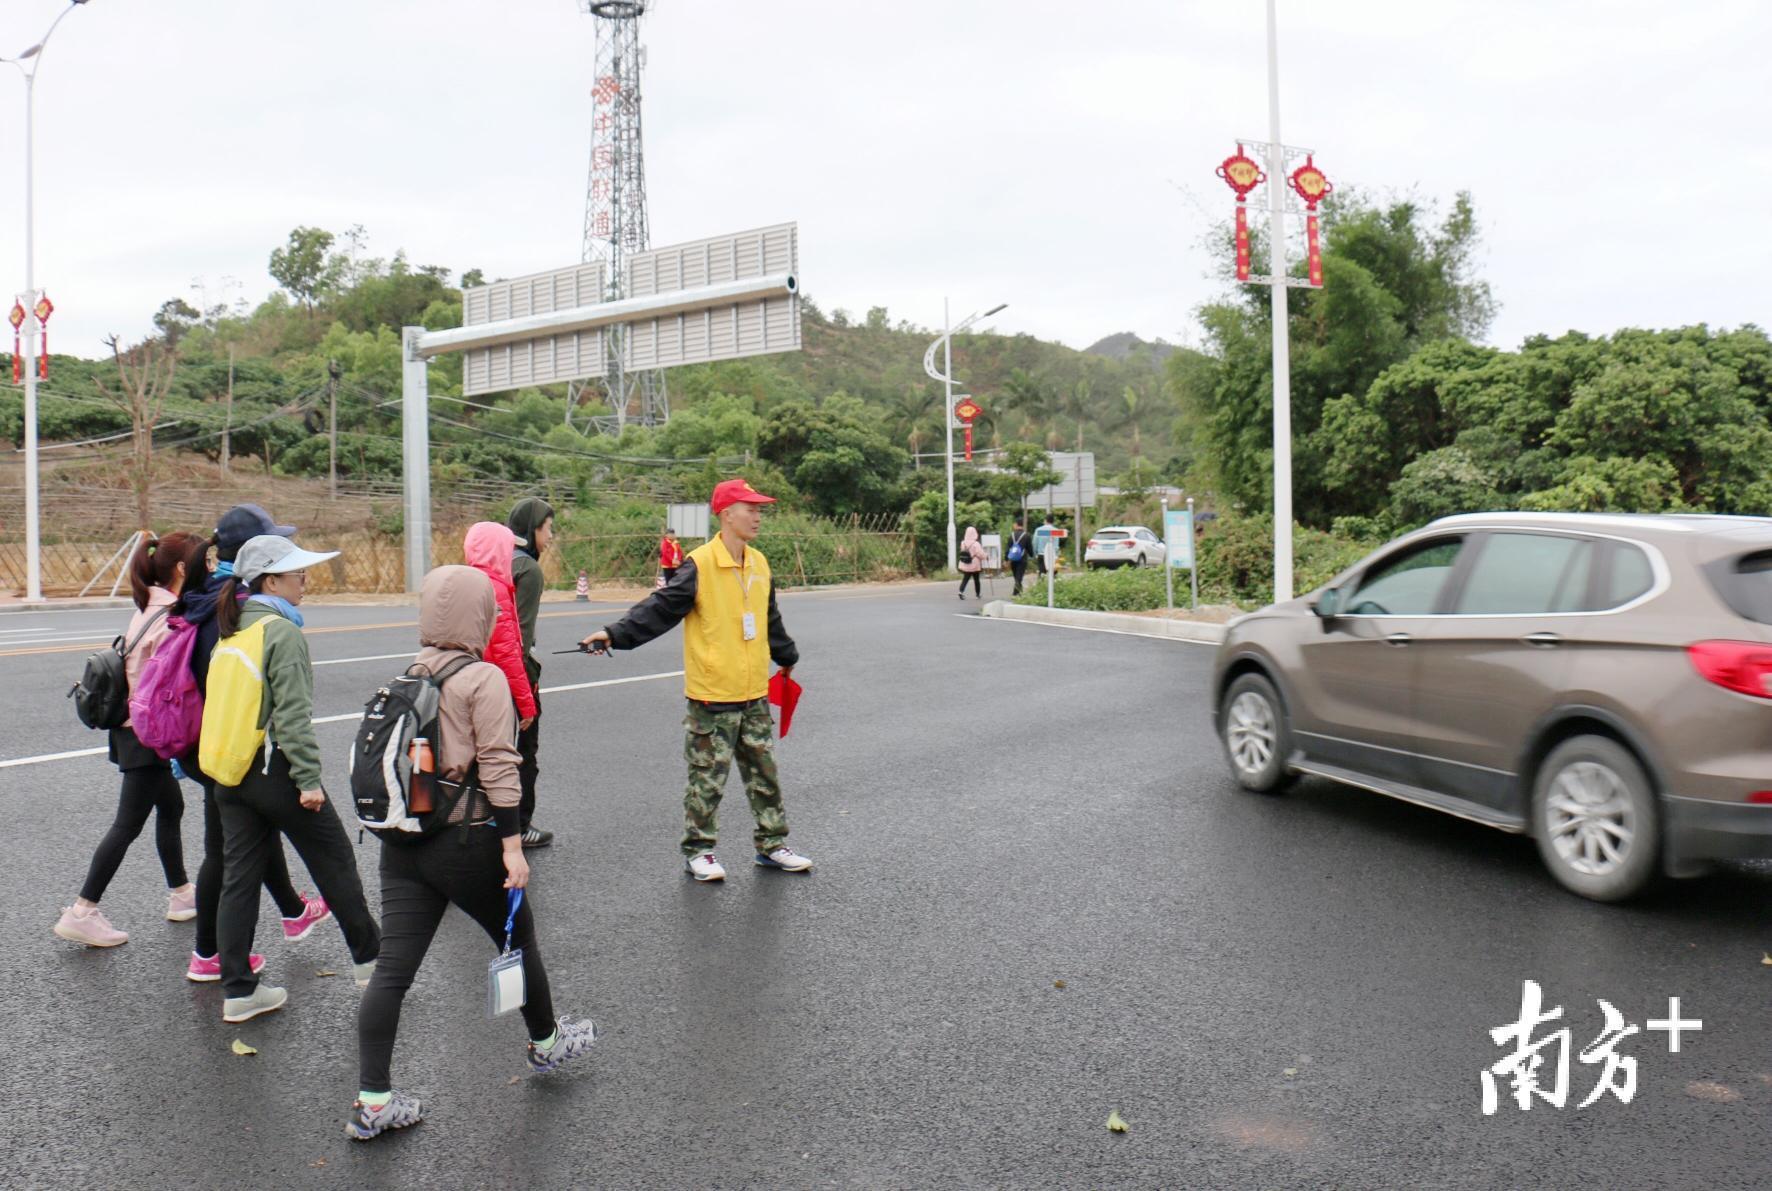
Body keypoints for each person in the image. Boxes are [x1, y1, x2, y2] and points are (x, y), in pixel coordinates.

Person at [349, 564, 596, 1141]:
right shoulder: (483, 678)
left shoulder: (410, 674)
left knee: (392, 972)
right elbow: (499, 766)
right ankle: (545, 1043)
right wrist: (512, 846)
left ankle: (373, 1101)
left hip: (404, 842)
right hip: (467, 843)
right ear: (481, 615)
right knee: (518, 939)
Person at [580, 479, 811, 882]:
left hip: (753, 691)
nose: (757, 516)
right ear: (726, 515)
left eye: (760, 509)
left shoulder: (759, 562)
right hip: (712, 695)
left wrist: (786, 656)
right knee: (707, 778)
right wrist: (614, 633)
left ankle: (772, 845)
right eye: (749, 508)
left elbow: (769, 617)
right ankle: (699, 850)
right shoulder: (699, 565)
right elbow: (659, 609)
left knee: (765, 776)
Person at [212, 534, 381, 1023]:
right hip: (277, 771)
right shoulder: (280, 632)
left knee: (239, 879)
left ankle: (240, 991)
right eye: (297, 573)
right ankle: (372, 965)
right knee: (334, 859)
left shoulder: (231, 629)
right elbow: (291, 716)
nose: (306, 580)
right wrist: (308, 780)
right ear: (271, 580)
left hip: (233, 774)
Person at [178, 505, 327, 984]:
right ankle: (213, 958)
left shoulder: (207, 598)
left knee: (240, 845)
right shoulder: (231, 610)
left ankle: (287, 913)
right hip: (230, 750)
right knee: (227, 853)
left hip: (212, 747)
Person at [53, 532, 206, 949]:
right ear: (181, 569)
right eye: (200, 562)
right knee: (127, 823)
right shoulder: (173, 613)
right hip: (148, 733)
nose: (206, 568)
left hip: (133, 728)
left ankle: (181, 893)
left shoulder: (149, 607)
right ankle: (83, 910)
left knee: (170, 806)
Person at [462, 523, 540, 826]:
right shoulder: (495, 590)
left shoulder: (462, 582)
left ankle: (466, 822)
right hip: (492, 692)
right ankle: (503, 833)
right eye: (507, 549)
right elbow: (507, 651)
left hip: (462, 686)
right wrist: (526, 703)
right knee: (498, 763)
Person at [506, 498, 555, 849]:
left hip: (479, 674)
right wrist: (525, 696)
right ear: (532, 529)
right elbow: (519, 639)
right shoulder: (528, 569)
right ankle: (520, 826)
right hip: (514, 675)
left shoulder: (493, 561)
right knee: (524, 753)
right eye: (547, 528)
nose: (550, 537)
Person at [957, 525, 985, 600]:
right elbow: (980, 554)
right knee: (976, 580)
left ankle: (961, 591)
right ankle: (978, 594)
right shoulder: (976, 544)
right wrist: (985, 556)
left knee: (965, 578)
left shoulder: (963, 543)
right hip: (974, 564)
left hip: (966, 563)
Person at [1007, 519, 1033, 596]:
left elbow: (1008, 548)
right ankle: (1015, 593)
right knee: (1019, 577)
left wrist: (1006, 558)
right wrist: (1032, 555)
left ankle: (1019, 593)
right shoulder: (1027, 535)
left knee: (1016, 577)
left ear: (1016, 524)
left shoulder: (1011, 535)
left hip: (1013, 559)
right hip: (1022, 559)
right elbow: (1029, 548)